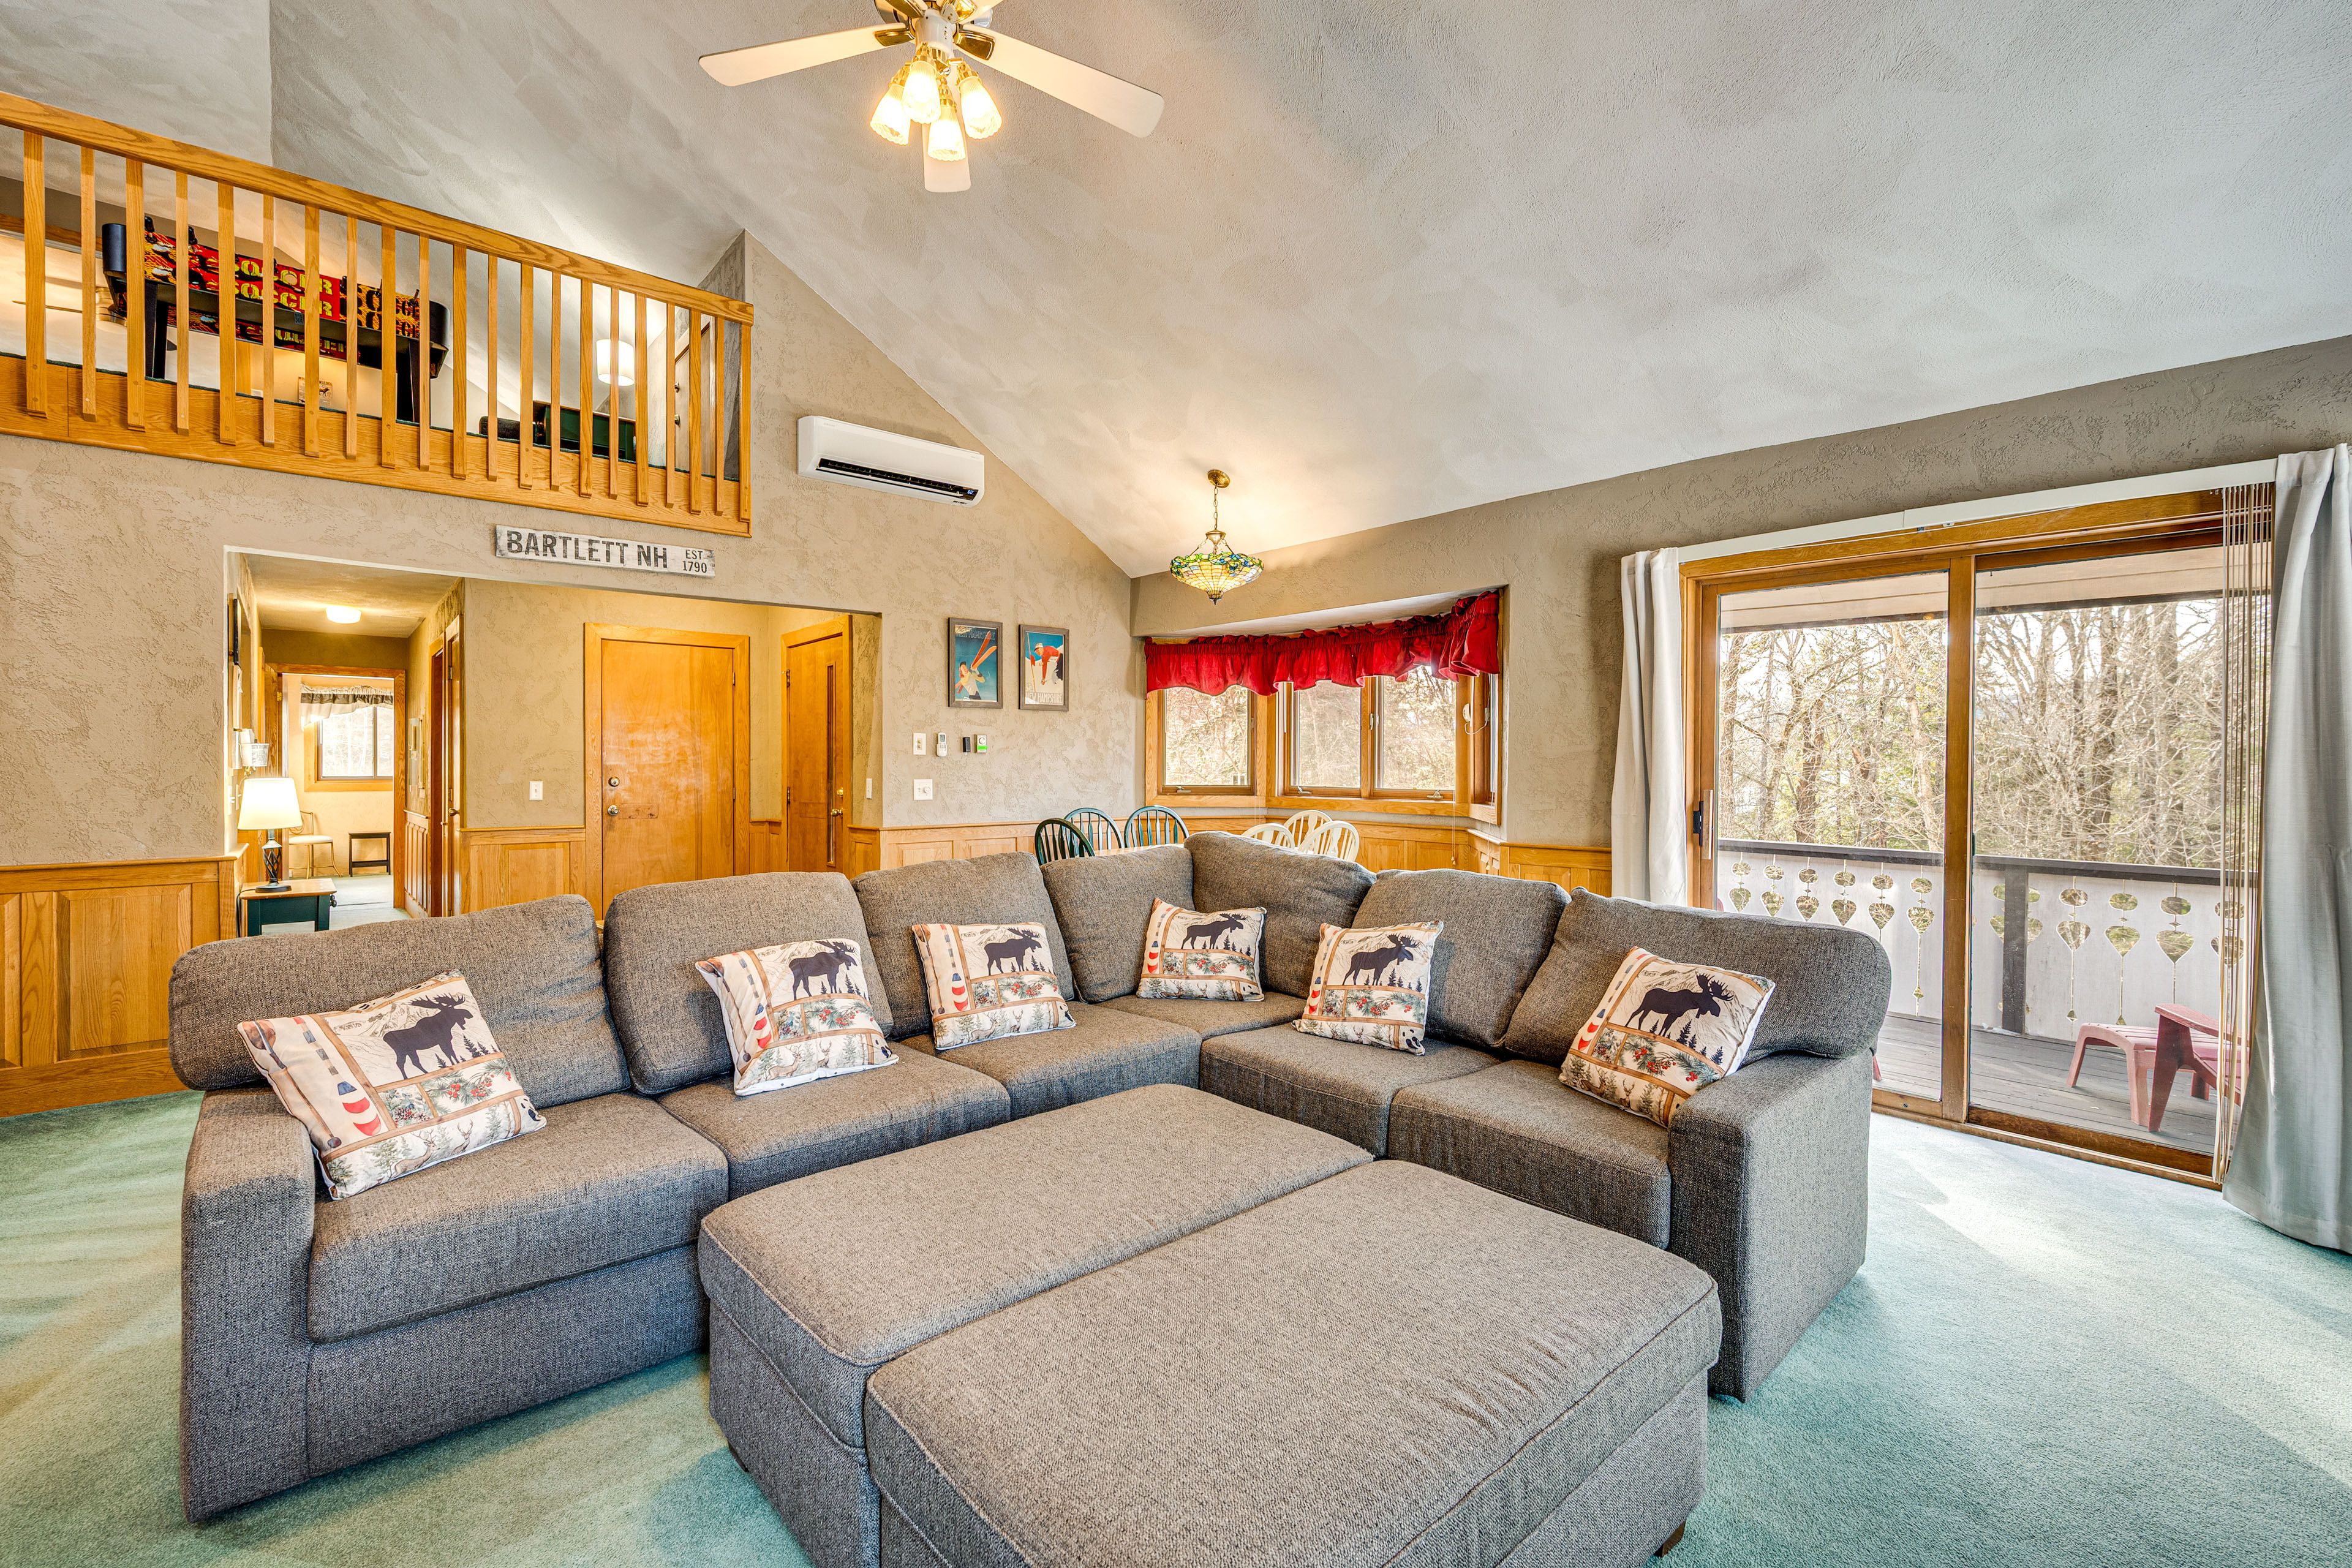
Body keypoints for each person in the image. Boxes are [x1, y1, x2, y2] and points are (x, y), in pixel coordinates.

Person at [954, 629, 997, 700]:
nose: (965, 669)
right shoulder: (963, 680)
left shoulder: (971, 675)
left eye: (965, 667)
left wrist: (976, 670)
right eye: (963, 668)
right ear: (961, 671)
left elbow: (982, 680)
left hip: (978, 696)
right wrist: (971, 670)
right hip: (972, 697)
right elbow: (967, 678)